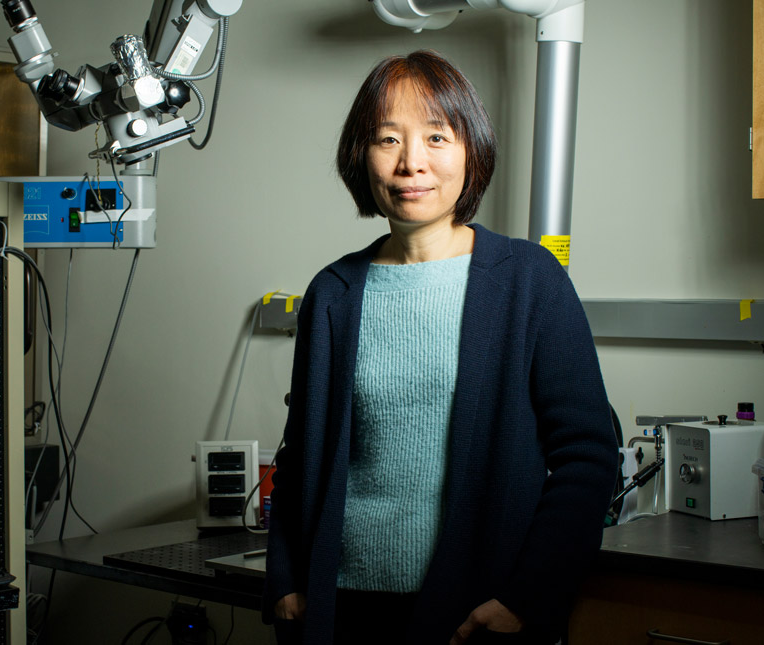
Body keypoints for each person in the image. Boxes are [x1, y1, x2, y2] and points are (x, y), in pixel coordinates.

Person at [263, 50, 618, 645]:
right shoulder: (333, 292)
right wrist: (286, 578)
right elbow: (301, 455)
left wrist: (525, 598)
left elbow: (587, 455)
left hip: (476, 611)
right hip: (342, 607)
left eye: (436, 137)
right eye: (387, 139)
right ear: (361, 156)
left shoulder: (528, 280)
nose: (412, 163)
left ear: (470, 152)